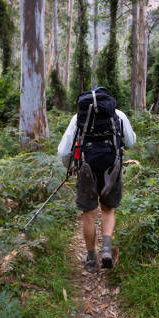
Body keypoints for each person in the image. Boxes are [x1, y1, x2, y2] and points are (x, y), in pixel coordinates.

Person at [57, 88, 136, 273]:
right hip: (112, 168)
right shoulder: (118, 115)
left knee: (89, 213)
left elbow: (63, 151)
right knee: (108, 210)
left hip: (86, 168)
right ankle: (106, 248)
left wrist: (71, 166)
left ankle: (91, 258)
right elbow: (131, 142)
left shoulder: (79, 118)